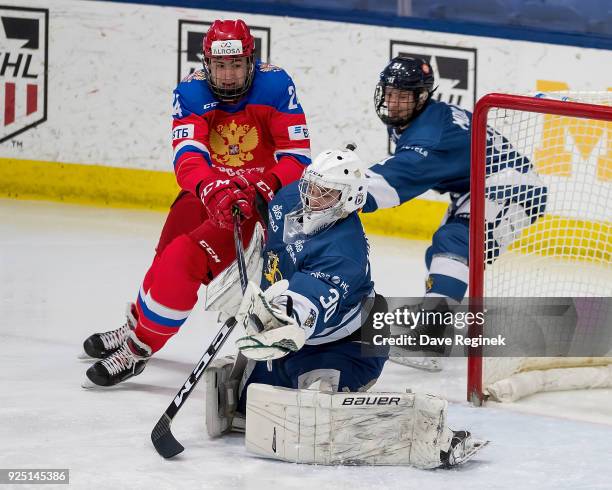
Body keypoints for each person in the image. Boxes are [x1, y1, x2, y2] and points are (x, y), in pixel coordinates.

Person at [203, 147, 486, 469]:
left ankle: (422, 430)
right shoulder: (288, 199)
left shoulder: (344, 251)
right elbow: (274, 245)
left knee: (319, 418)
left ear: (349, 199)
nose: (312, 198)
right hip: (305, 339)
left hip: (351, 344)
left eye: (326, 194)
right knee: (246, 408)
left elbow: (305, 306)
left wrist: (270, 311)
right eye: (311, 187)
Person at [82, 19, 311, 387]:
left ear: (251, 61)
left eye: (236, 64)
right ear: (207, 64)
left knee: (181, 260)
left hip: (254, 201)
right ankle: (135, 325)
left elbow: (297, 157)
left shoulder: (276, 85)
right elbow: (188, 156)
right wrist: (208, 187)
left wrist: (262, 188)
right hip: (210, 190)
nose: (228, 75)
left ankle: (138, 349)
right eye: (220, 66)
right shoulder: (189, 92)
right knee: (164, 255)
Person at [363, 56, 547, 355]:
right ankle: (435, 320)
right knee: (441, 255)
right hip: (477, 188)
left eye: (403, 96)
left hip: (510, 186)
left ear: (422, 97)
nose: (393, 102)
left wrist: (340, 192)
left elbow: (397, 179)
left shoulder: (430, 135)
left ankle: (434, 335)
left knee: (455, 242)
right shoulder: (422, 118)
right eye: (389, 93)